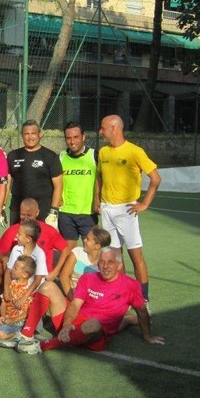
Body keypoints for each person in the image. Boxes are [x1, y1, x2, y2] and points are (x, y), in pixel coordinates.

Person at [1, 247, 164, 354]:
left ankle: (42, 346)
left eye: (111, 262)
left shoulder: (130, 285)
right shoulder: (88, 278)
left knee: (94, 323)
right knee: (49, 285)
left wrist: (148, 336)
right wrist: (67, 324)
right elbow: (75, 304)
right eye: (102, 261)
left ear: (120, 266)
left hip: (95, 333)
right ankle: (26, 336)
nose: (105, 266)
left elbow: (142, 311)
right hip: (72, 323)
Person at [97, 114, 161, 305]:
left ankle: (144, 298)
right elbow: (99, 177)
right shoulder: (103, 152)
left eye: (103, 128)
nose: (100, 131)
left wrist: (144, 204)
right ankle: (123, 295)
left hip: (127, 210)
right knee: (115, 257)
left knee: (136, 256)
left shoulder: (135, 151)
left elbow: (156, 178)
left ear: (114, 128)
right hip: (107, 210)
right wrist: (97, 199)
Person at [0, 198, 68, 293]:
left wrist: (55, 272)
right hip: (18, 276)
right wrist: (4, 258)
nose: (26, 218)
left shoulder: (48, 230)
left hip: (40, 276)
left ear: (37, 213)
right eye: (23, 214)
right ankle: (5, 297)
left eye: (29, 215)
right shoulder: (13, 230)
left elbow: (65, 249)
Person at [6, 120, 63, 225]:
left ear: (39, 134)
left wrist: (54, 210)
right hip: (18, 209)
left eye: (33, 133)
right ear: (22, 136)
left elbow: (58, 186)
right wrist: (2, 207)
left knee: (42, 241)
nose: (30, 137)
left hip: (42, 210)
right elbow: (7, 182)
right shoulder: (13, 155)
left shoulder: (50, 156)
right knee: (18, 240)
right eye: (26, 134)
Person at [59, 121, 98, 258]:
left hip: (88, 212)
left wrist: (98, 199)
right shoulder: (61, 157)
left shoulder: (94, 156)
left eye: (76, 137)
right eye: (68, 138)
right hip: (66, 212)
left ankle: (89, 278)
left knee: (91, 250)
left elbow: (103, 179)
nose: (72, 141)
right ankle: (69, 278)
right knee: (69, 252)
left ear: (83, 137)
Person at [1, 220, 48, 317]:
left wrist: (24, 297)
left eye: (19, 234)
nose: (16, 236)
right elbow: (9, 270)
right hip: (17, 287)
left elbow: (37, 280)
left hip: (32, 292)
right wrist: (6, 289)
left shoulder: (40, 254)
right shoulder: (16, 249)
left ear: (28, 239)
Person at [0, 255, 36, 341]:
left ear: (25, 275)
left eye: (15, 268)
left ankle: (19, 333)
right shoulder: (12, 284)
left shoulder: (29, 290)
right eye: (13, 266)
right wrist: (3, 317)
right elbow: (4, 303)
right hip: (7, 319)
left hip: (19, 322)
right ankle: (7, 328)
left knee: (0, 335)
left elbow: (29, 312)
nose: (12, 269)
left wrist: (13, 319)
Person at [58, 227, 111, 299]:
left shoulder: (105, 264)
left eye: (88, 239)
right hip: (71, 296)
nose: (84, 240)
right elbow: (63, 276)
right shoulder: (77, 252)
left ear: (97, 246)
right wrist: (72, 299)